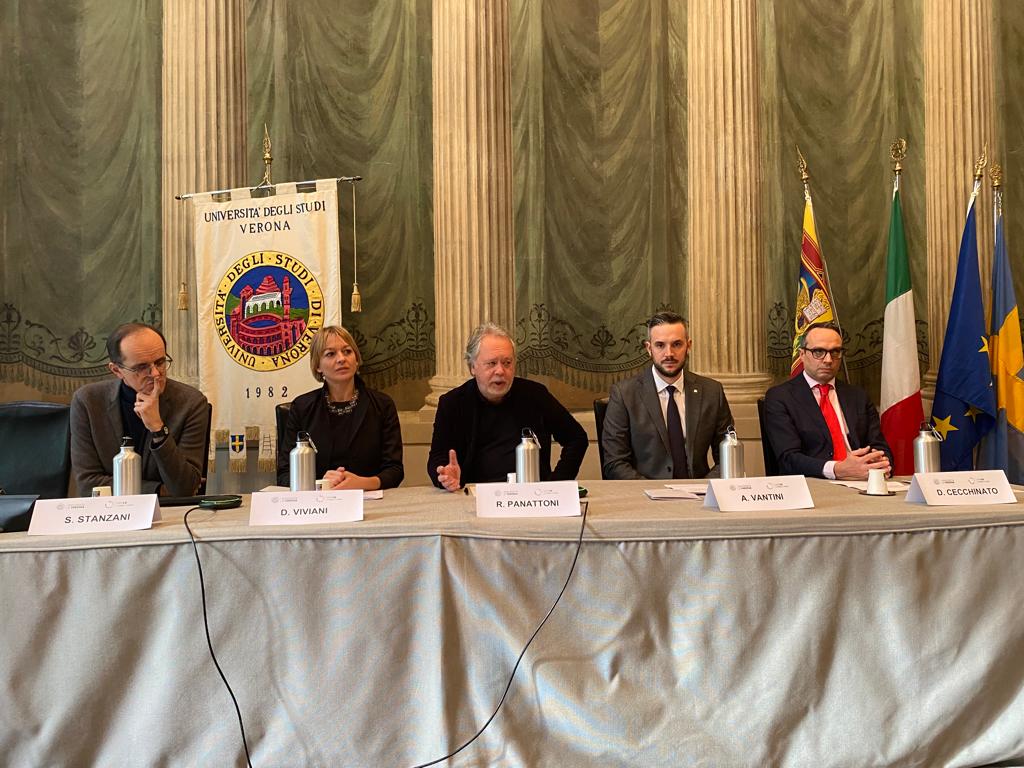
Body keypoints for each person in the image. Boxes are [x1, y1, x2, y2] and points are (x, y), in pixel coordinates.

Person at [428, 323, 587, 491]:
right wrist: (446, 477)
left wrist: (556, 483)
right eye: (491, 363)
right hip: (476, 496)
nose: (500, 371)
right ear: (472, 367)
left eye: (507, 363)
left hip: (530, 497)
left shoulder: (535, 395)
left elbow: (576, 438)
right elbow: (437, 457)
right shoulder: (452, 403)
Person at [70, 323, 209, 496]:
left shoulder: (191, 403)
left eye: (160, 362)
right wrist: (158, 490)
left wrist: (158, 430)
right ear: (117, 370)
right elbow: (88, 485)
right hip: (109, 510)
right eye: (142, 367)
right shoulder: (88, 402)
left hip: (169, 510)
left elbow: (185, 488)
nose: (156, 373)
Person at [601, 311, 733, 479]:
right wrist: (651, 491)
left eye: (677, 344)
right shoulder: (624, 394)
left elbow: (728, 456)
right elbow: (615, 463)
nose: (669, 353)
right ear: (649, 348)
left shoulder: (712, 392)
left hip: (698, 491)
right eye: (660, 345)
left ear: (688, 346)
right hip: (644, 492)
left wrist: (704, 488)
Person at [277, 325, 403, 490]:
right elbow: (284, 474)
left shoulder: (382, 405)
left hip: (369, 499)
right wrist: (321, 484)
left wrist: (361, 483)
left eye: (347, 351)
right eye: (330, 354)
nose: (341, 359)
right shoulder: (302, 408)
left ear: (356, 359)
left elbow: (395, 470)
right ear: (318, 366)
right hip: (318, 501)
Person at [764, 322, 892, 479]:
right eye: (818, 352)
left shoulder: (858, 396)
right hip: (814, 484)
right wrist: (837, 469)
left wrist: (879, 462)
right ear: (802, 354)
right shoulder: (780, 397)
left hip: (862, 481)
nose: (828, 360)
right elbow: (788, 459)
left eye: (835, 352)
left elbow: (880, 446)